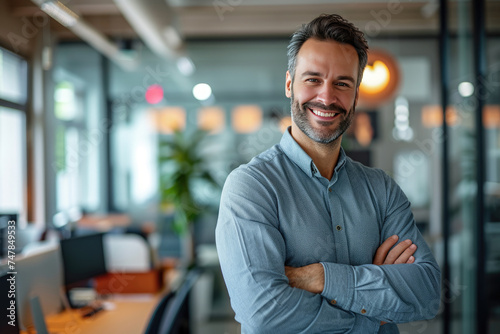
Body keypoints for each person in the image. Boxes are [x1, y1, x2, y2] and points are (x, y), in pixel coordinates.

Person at [215, 13, 441, 334]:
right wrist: (372, 311)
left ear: (356, 96)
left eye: (342, 83)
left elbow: (428, 294)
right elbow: (265, 313)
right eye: (313, 79)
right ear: (290, 84)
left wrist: (318, 277)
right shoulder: (251, 187)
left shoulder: (382, 189)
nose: (326, 96)